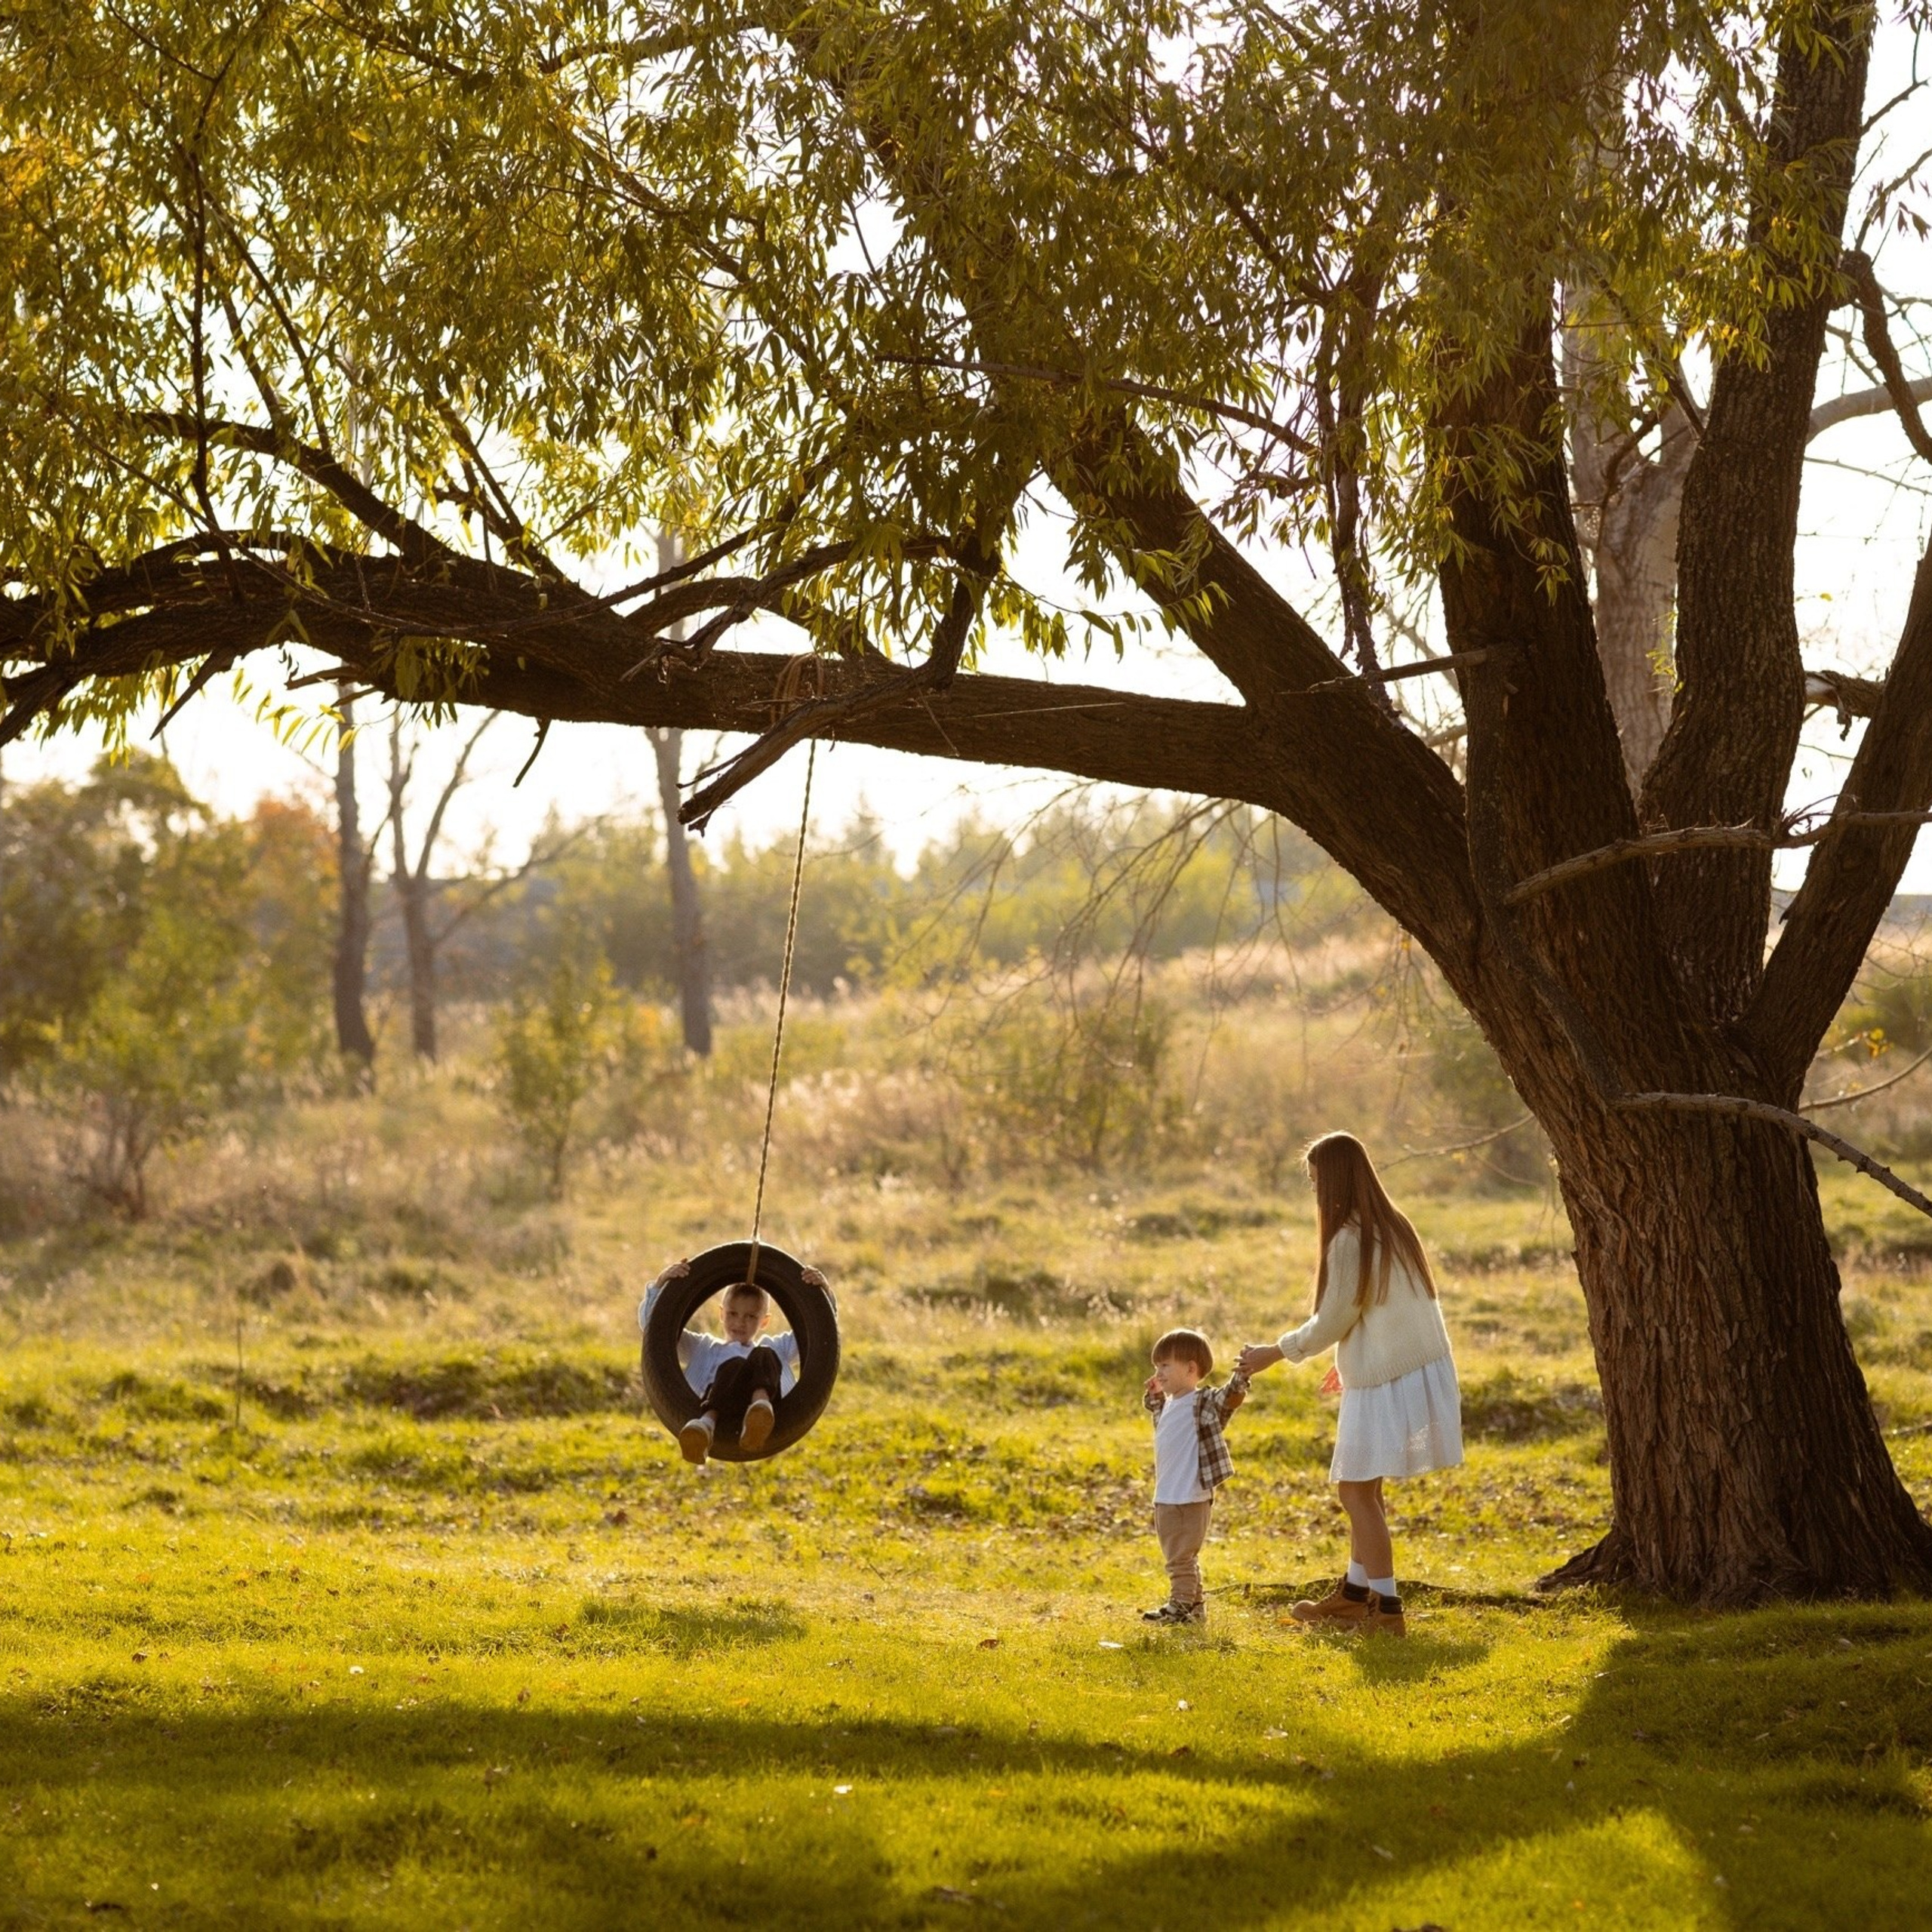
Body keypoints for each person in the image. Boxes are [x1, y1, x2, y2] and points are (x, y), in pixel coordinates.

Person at [1237, 1132, 1461, 1639]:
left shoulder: (1349, 1239)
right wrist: (1357, 1356)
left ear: (1334, 1181)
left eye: (1317, 1182)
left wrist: (1272, 1353)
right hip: (1404, 1370)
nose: (1315, 1192)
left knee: (1355, 1491)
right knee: (1365, 1487)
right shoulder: (1392, 1227)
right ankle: (1354, 1598)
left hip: (1390, 1380)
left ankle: (1387, 1611)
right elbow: (1389, 1310)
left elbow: (1333, 1319)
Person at [640, 1258, 826, 1464]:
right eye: (733, 1313)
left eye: (751, 1317)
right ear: (721, 1314)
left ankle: (760, 1410)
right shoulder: (703, 1347)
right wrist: (661, 1284)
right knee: (733, 1367)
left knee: (764, 1354)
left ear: (764, 1321)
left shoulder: (775, 1349)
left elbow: (818, 1333)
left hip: (769, 1412)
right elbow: (655, 1330)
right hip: (717, 1409)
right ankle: (705, 1429)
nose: (740, 1322)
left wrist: (821, 1293)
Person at [1140, 1327, 1247, 1627]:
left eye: (1165, 1366)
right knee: (1181, 1555)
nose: (1158, 1372)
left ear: (1190, 1369)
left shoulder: (1203, 1403)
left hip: (1188, 1497)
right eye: (1156, 1366)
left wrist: (1241, 1375)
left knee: (1180, 1559)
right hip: (1167, 1495)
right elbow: (1162, 1419)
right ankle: (1194, 1608)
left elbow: (1230, 1398)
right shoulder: (1171, 1403)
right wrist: (1155, 1395)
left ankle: (1181, 1606)